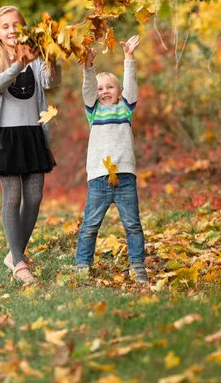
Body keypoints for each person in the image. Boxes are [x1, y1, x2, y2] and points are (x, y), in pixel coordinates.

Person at [0, 6, 61, 284]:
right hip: (6, 136)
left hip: (33, 134)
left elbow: (51, 82)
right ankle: (19, 262)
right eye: (5, 26)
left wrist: (51, 57)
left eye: (17, 24)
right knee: (12, 197)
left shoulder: (36, 58)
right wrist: (18, 62)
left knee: (35, 197)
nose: (12, 30)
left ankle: (15, 254)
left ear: (25, 28)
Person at [75, 35, 148, 284]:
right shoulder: (93, 112)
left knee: (133, 225)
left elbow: (131, 84)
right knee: (89, 226)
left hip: (125, 176)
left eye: (110, 87)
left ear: (119, 92)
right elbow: (87, 89)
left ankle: (137, 265)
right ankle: (82, 265)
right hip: (99, 178)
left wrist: (129, 58)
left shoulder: (125, 109)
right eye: (101, 88)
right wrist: (88, 67)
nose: (105, 91)